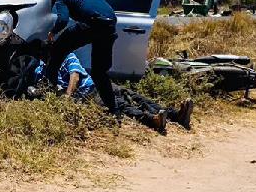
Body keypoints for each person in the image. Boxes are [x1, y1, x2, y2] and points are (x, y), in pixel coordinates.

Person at [32, 52, 193, 133]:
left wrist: (67, 97)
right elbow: (40, 86)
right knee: (122, 104)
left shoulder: (67, 56)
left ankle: (172, 115)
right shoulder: (41, 69)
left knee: (132, 96)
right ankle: (154, 119)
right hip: (90, 93)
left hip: (92, 88)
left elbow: (74, 75)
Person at [47, 0, 118, 112]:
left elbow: (63, 20)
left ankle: (48, 91)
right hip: (110, 27)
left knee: (57, 51)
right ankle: (114, 110)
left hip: (91, 23)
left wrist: (53, 32)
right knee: (99, 73)